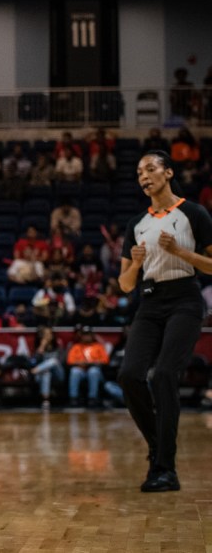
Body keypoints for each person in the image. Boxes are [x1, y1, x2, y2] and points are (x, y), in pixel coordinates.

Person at [117, 150, 212, 492]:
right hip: (149, 301)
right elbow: (124, 284)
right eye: (139, 171)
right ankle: (158, 446)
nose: (144, 175)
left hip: (185, 299)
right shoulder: (136, 225)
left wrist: (183, 253)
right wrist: (134, 264)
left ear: (168, 173)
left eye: (151, 168)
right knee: (129, 376)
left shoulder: (193, 214)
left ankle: (164, 468)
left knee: (165, 375)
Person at [65, 326, 109, 407]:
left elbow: (105, 361)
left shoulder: (98, 346)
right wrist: (80, 363)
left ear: (92, 336)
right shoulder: (76, 347)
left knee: (93, 371)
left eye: (88, 335)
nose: (86, 337)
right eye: (84, 335)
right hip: (81, 370)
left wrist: (91, 363)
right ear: (81, 336)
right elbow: (70, 361)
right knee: (75, 371)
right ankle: (73, 398)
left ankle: (92, 398)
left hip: (96, 371)